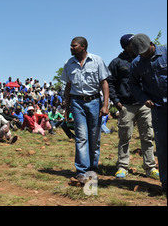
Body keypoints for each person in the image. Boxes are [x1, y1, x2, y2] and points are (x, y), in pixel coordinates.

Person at [108, 34, 158, 180]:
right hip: (126, 105)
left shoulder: (143, 59)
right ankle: (123, 167)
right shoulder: (116, 63)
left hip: (144, 104)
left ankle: (150, 167)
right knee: (124, 137)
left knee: (147, 136)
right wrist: (117, 102)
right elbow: (109, 83)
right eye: (133, 43)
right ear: (126, 46)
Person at [61, 36, 110, 184]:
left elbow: (104, 83)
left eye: (73, 46)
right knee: (81, 137)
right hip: (77, 102)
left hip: (94, 101)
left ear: (83, 46)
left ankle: (92, 169)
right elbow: (68, 87)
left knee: (94, 138)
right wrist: (67, 108)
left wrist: (105, 105)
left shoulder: (97, 60)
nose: (71, 48)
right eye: (70, 46)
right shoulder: (68, 63)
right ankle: (81, 171)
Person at [129, 33, 167, 194]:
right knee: (163, 147)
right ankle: (166, 183)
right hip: (158, 109)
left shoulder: (165, 53)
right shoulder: (136, 64)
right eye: (140, 53)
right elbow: (133, 85)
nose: (144, 54)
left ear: (152, 44)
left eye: (146, 51)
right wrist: (144, 98)